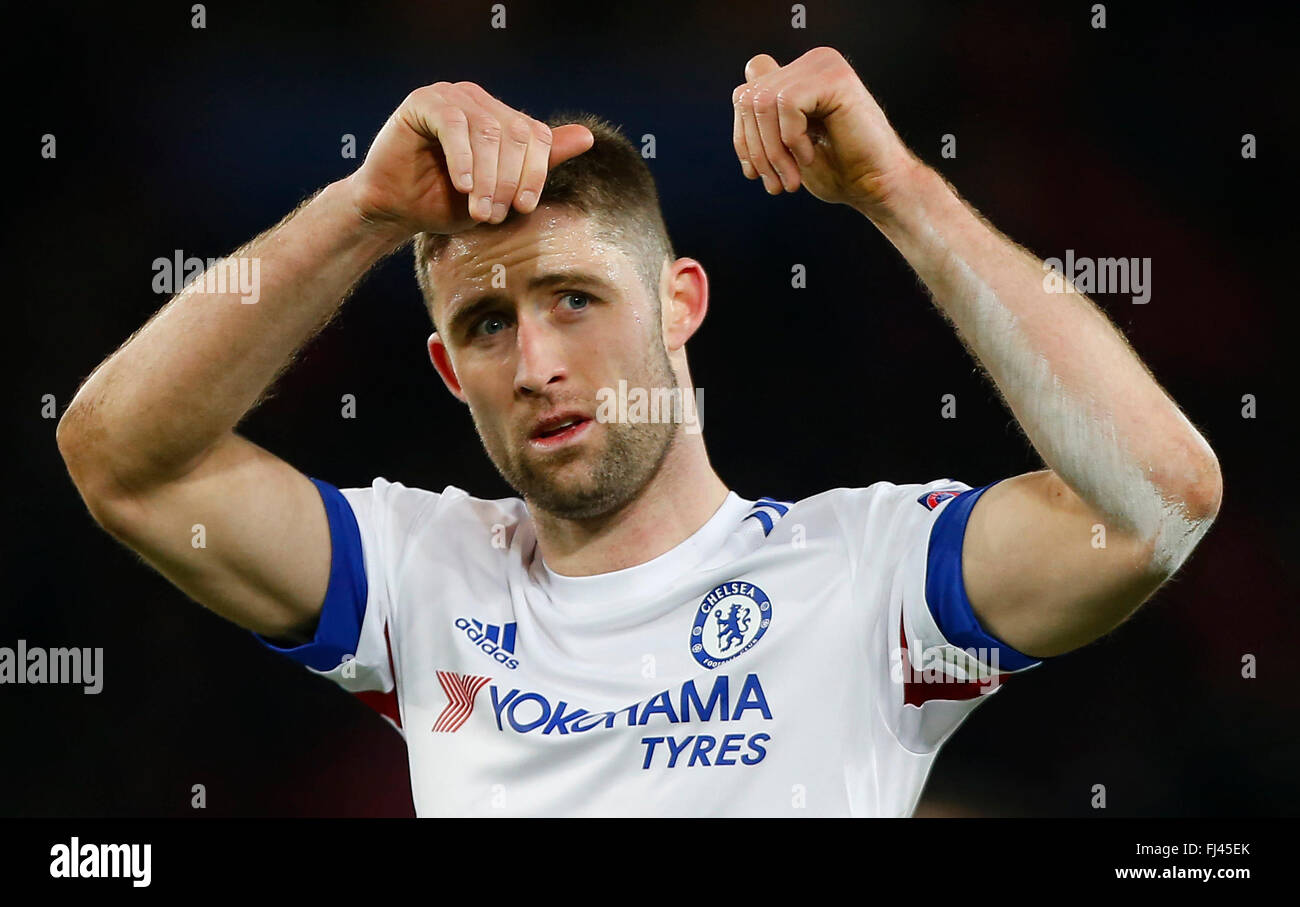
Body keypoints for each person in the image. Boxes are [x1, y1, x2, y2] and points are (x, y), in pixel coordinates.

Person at [56, 47, 1222, 816]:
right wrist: (358, 214)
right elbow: (120, 462)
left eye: (574, 296)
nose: (541, 363)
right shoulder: (422, 576)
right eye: (486, 323)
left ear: (681, 304)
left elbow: (1158, 500)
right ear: (445, 372)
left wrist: (900, 196)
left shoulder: (871, 578)